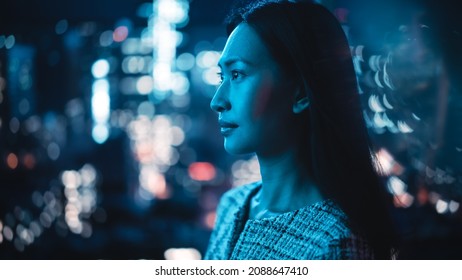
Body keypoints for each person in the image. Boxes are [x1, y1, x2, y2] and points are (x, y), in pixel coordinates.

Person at [205, 0, 396, 260]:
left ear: (301, 92)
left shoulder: (334, 244)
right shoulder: (232, 206)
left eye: (237, 74)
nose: (217, 101)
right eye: (222, 77)